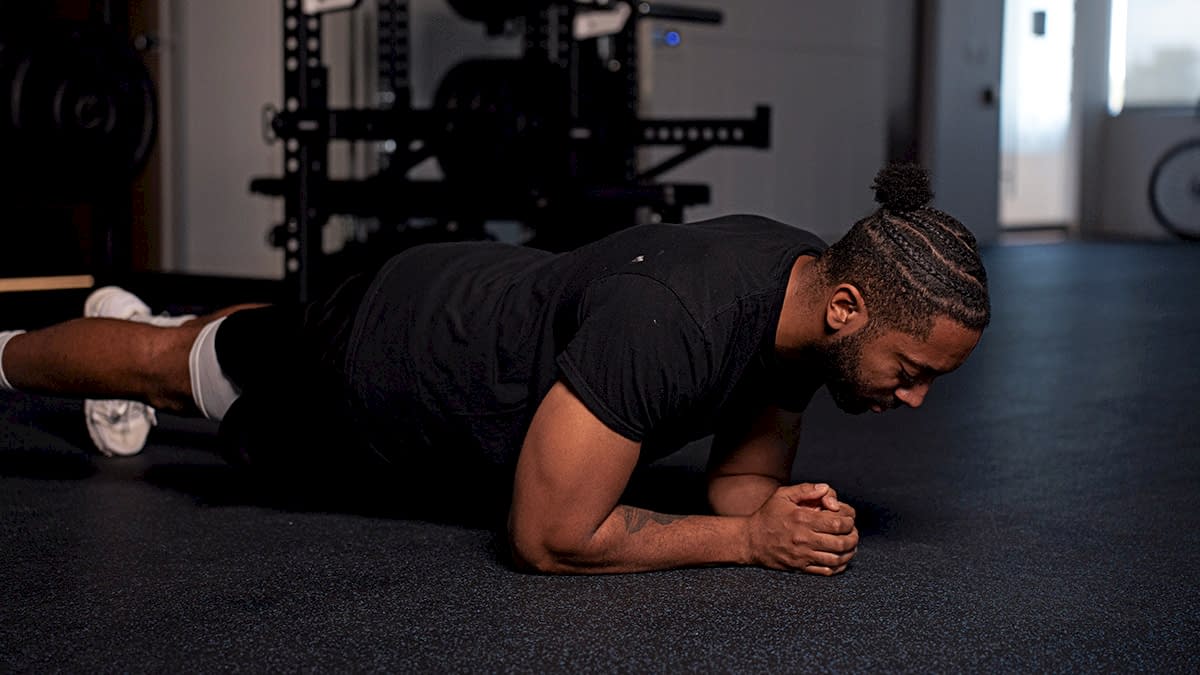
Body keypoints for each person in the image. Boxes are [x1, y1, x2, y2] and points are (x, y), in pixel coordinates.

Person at [0, 163, 989, 576]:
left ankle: (174, 325)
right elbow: (550, 538)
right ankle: (7, 358)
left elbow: (744, 475)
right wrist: (748, 546)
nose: (914, 397)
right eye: (911, 369)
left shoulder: (806, 295)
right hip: (386, 364)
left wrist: (779, 515)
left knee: (244, 333)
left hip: (467, 298)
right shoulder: (672, 322)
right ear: (851, 309)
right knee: (175, 370)